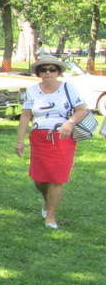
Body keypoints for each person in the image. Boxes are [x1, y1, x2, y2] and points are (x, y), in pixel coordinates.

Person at [15, 54, 90, 229]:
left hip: (63, 137)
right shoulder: (32, 90)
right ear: (38, 72)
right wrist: (20, 141)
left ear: (58, 72)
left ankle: (50, 216)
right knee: (39, 178)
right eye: (43, 69)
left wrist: (69, 123)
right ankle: (47, 200)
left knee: (57, 178)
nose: (48, 73)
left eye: (52, 69)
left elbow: (82, 110)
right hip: (40, 137)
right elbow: (26, 116)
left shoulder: (68, 88)